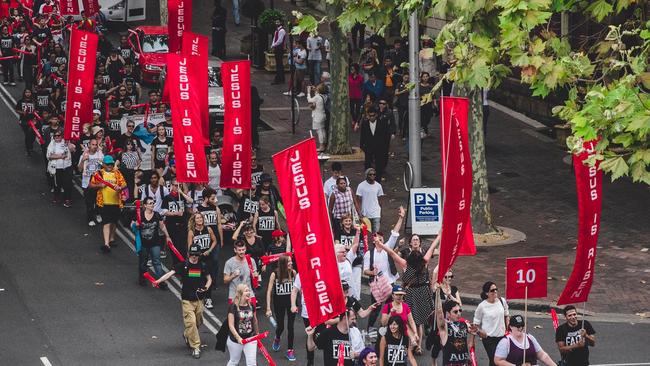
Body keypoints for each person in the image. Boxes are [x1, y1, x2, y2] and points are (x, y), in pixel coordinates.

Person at [376, 232, 441, 354]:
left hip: (410, 293)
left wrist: (380, 244)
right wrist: (439, 236)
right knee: (420, 322)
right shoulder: (425, 262)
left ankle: (412, 343)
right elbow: (432, 247)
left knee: (408, 320)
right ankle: (419, 346)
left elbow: (391, 253)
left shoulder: (405, 264)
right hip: (422, 292)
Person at [154, 244, 211, 359]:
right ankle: (195, 347)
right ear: (189, 254)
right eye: (192, 254)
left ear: (199, 255)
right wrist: (158, 281)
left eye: (196, 255)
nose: (194, 257)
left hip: (199, 299)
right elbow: (170, 274)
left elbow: (209, 279)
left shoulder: (203, 266)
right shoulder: (183, 265)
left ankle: (187, 334)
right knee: (191, 322)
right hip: (187, 300)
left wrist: (205, 288)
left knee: (198, 321)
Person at [364, 210, 404, 330]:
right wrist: (372, 273)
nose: (380, 240)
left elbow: (394, 233)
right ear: (374, 240)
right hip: (377, 285)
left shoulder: (387, 248)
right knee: (375, 307)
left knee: (390, 308)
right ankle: (370, 328)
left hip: (390, 283)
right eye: (378, 238)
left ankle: (387, 328)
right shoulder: (368, 254)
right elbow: (365, 270)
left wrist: (401, 218)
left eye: (382, 238)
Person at [90, 155, 127, 253]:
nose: (110, 166)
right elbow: (91, 185)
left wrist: (120, 188)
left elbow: (124, 184)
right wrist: (100, 185)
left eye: (111, 164)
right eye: (108, 164)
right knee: (106, 222)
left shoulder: (117, 173)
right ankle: (106, 243)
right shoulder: (99, 174)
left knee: (114, 221)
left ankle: (111, 239)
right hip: (104, 202)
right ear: (103, 165)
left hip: (116, 202)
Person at [135, 196, 171, 289]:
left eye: (153, 203)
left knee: (157, 262)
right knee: (143, 262)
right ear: (145, 205)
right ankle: (142, 278)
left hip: (155, 243)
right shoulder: (140, 215)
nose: (152, 205)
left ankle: (161, 281)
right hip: (143, 244)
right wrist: (136, 225)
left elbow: (162, 226)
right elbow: (133, 226)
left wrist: (167, 236)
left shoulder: (157, 215)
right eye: (150, 203)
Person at [471, 281, 510, 366]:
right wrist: (472, 340)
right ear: (486, 293)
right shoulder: (482, 306)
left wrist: (508, 327)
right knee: (494, 360)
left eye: (496, 289)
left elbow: (506, 315)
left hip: (502, 337)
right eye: (492, 290)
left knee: (501, 360)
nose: (495, 292)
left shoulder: (502, 301)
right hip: (489, 339)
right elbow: (475, 324)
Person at [265, 255, 297, 361]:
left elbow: (297, 289)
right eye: (289, 262)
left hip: (291, 303)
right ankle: (277, 337)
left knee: (291, 326)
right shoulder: (274, 274)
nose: (291, 263)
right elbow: (269, 291)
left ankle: (290, 350)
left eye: (291, 261)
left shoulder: (293, 273)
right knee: (281, 326)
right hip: (279, 304)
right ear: (283, 263)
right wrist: (268, 308)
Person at [187, 211, 218, 309]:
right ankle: (196, 296)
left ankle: (208, 298)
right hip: (197, 259)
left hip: (208, 258)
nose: (199, 220)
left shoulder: (208, 229)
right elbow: (189, 247)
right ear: (194, 220)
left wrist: (209, 250)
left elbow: (215, 241)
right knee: (197, 277)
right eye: (197, 218)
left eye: (201, 218)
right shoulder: (192, 232)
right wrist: (193, 257)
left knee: (209, 278)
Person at [226, 283, 258, 365]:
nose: (249, 292)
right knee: (234, 361)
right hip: (235, 341)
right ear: (240, 293)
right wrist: (238, 338)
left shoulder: (251, 306)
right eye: (246, 291)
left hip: (250, 338)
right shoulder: (233, 307)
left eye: (249, 290)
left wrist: (257, 334)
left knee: (252, 363)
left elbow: (254, 320)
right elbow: (231, 325)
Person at [359, 108, 391, 183]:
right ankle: (368, 180)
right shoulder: (365, 124)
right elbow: (362, 135)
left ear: (376, 115)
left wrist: (385, 147)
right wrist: (362, 146)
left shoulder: (382, 123)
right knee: (368, 163)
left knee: (379, 165)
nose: (371, 117)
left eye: (373, 115)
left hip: (379, 148)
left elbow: (386, 136)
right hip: (368, 148)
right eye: (370, 116)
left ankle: (377, 181)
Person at [78, 138, 104, 225]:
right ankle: (90, 219)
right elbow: (79, 169)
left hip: (98, 182)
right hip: (87, 182)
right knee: (89, 202)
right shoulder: (84, 155)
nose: (94, 146)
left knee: (98, 201)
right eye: (93, 144)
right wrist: (83, 160)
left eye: (96, 145)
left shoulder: (100, 155)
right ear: (89, 145)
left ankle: (97, 213)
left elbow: (104, 166)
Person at [224, 240, 258, 305]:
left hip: (249, 293)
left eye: (243, 249)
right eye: (239, 250)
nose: (242, 252)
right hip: (234, 294)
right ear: (235, 250)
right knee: (233, 314)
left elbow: (255, 274)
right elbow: (225, 280)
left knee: (253, 314)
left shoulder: (251, 260)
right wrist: (233, 276)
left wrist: (255, 275)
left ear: (245, 249)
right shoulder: (229, 263)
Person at [46, 130, 73, 207]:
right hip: (57, 168)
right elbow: (49, 156)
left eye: (59, 136)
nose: (57, 137)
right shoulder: (52, 144)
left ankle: (67, 199)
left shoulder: (66, 142)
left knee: (68, 183)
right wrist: (61, 156)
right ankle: (57, 195)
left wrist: (70, 145)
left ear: (62, 136)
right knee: (57, 183)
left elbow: (73, 150)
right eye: (55, 136)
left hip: (67, 166)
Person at [356, 167, 385, 232]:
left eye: (374, 174)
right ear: (366, 175)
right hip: (365, 214)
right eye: (370, 174)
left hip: (376, 213)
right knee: (366, 234)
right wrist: (359, 214)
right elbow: (357, 201)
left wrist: (381, 213)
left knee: (376, 234)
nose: (372, 176)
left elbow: (380, 201)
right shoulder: (361, 186)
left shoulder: (378, 186)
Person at [307, 83, 328, 152]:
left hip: (317, 116)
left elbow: (309, 100)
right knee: (322, 130)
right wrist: (315, 89)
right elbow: (318, 94)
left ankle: (321, 146)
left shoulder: (317, 97)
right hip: (322, 115)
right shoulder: (324, 96)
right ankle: (324, 144)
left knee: (319, 131)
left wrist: (308, 92)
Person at [271, 20, 286, 85]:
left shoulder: (282, 31)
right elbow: (274, 38)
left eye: (278, 22)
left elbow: (280, 40)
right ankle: (281, 78)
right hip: (277, 48)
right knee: (279, 63)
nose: (276, 23)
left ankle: (279, 79)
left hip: (280, 48)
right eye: (276, 22)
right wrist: (272, 45)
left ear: (281, 23)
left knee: (279, 64)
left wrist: (274, 45)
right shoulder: (276, 30)